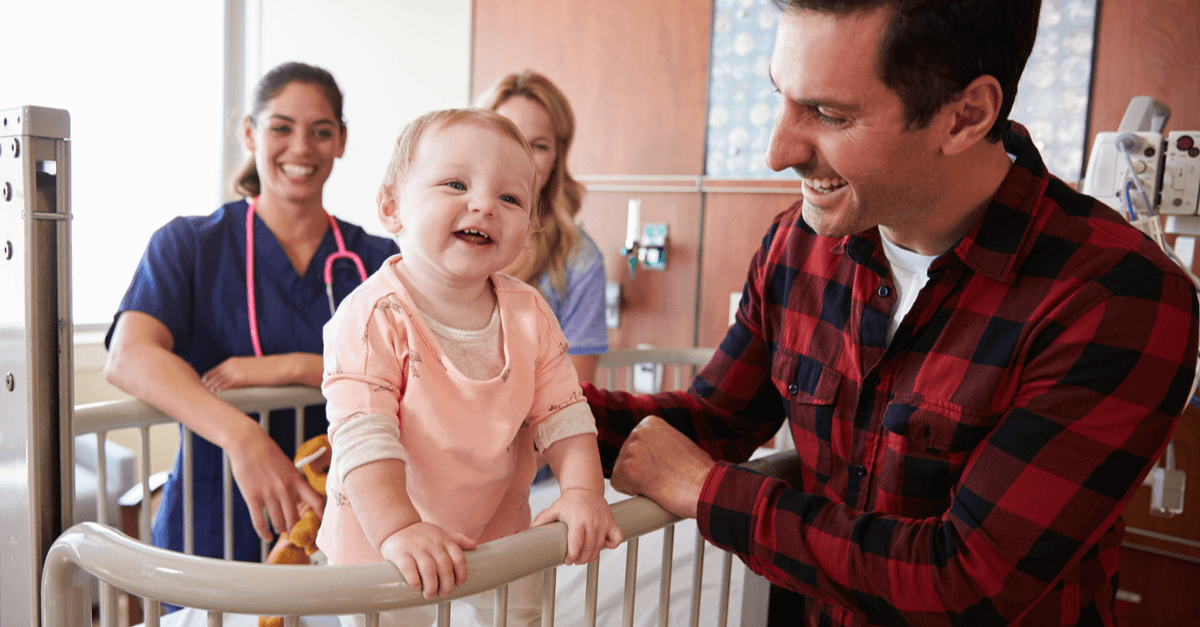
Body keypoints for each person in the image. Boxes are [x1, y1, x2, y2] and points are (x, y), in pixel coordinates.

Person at [583, 2, 1200, 626]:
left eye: (829, 114)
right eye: (782, 97)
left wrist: (708, 492)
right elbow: (715, 423)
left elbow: (963, 581)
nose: (777, 151)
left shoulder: (1116, 297)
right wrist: (530, 412)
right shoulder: (797, 249)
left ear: (966, 116)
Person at [316, 108, 622, 627]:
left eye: (509, 198)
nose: (483, 205)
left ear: (526, 230)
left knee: (521, 614)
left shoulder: (529, 315)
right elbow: (364, 438)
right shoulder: (373, 317)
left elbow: (566, 415)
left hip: (500, 522)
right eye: (456, 184)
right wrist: (399, 529)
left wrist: (582, 492)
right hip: (384, 526)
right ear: (392, 208)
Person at [104, 61, 399, 563]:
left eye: (321, 131)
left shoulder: (376, 260)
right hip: (215, 516)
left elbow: (412, 375)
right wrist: (244, 437)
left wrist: (290, 367)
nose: (301, 148)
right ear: (249, 132)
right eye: (281, 127)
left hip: (346, 513)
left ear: (341, 141)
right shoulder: (189, 245)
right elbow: (128, 357)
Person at [476, 71, 608, 385]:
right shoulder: (449, 231)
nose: (522, 159)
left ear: (557, 158)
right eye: (509, 139)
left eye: (539, 146)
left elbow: (575, 394)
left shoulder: (580, 262)